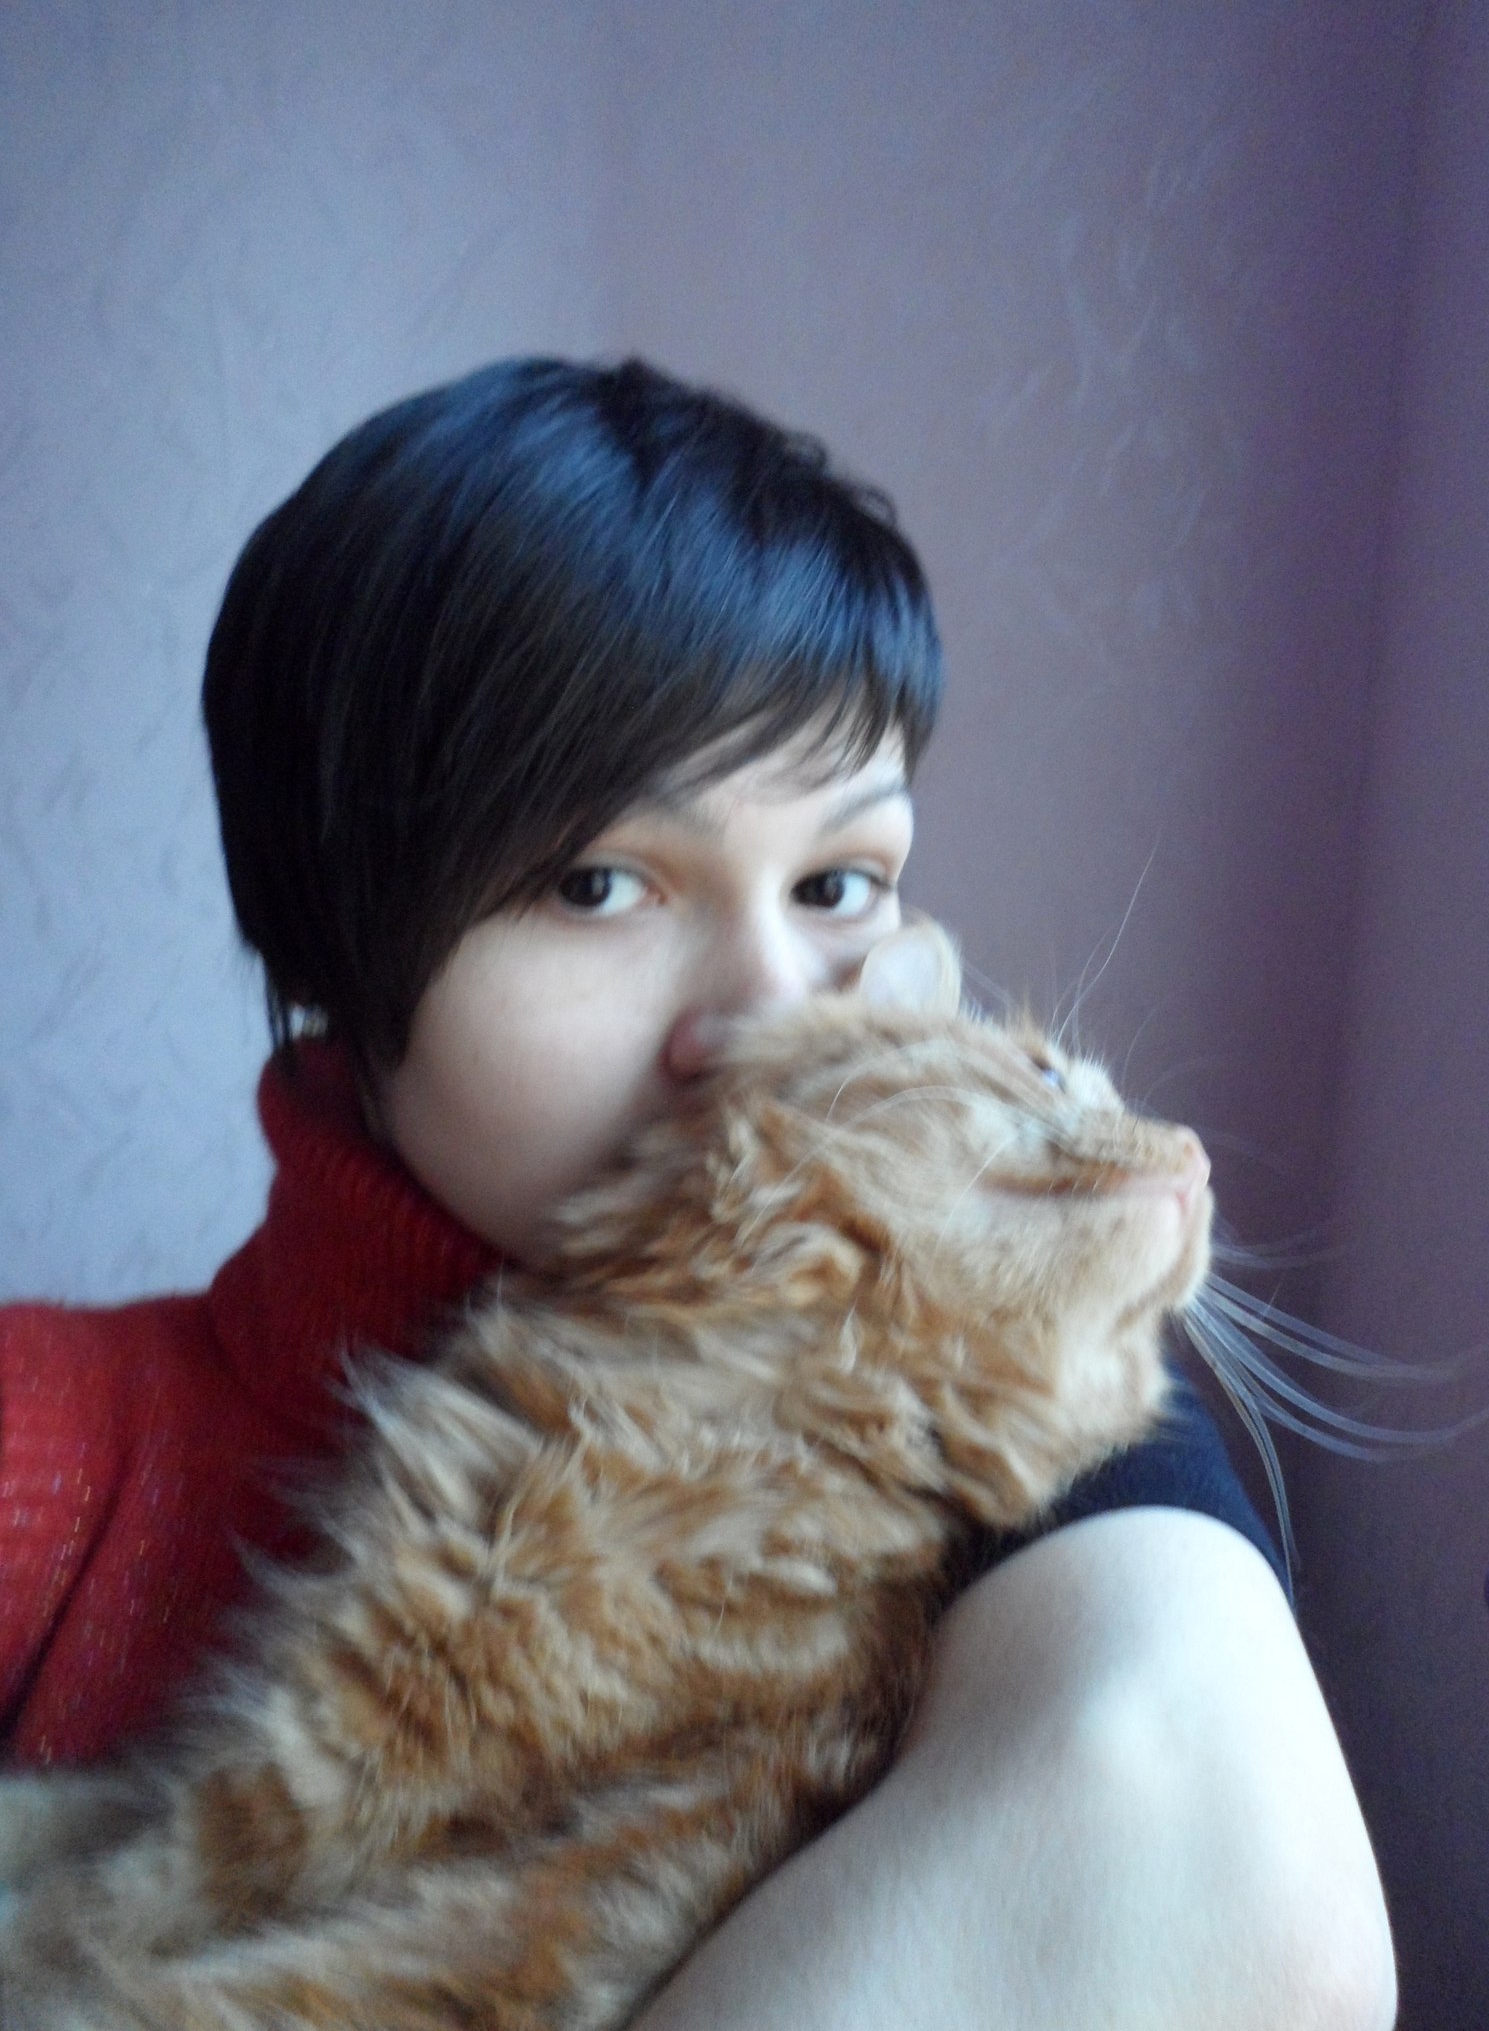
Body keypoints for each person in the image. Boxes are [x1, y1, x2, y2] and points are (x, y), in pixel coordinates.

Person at [0, 357, 1396, 2026]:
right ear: (324, 944)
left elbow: (1252, 1899)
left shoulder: (978, 1411)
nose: (770, 1017)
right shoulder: (51, 1445)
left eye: (839, 883)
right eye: (599, 884)